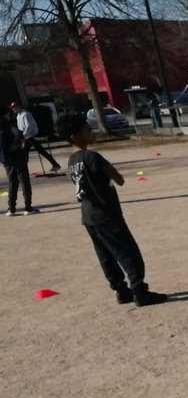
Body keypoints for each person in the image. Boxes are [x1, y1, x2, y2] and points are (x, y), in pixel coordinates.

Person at [56, 112, 168, 306]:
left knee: (106, 255)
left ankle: (121, 291)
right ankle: (140, 291)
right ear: (76, 136)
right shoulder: (92, 156)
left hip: (89, 215)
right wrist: (108, 169)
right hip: (106, 213)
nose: (93, 132)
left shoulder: (72, 160)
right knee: (128, 252)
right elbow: (119, 179)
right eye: (88, 130)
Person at [1, 107, 38, 216]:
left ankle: (11, 208)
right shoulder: (9, 124)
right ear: (6, 114)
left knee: (12, 181)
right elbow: (18, 133)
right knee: (24, 180)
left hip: (4, 158)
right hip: (16, 156)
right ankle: (28, 207)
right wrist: (16, 143)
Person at [10, 101, 61, 173]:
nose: (13, 109)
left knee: (40, 150)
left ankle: (55, 164)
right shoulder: (18, 116)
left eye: (14, 107)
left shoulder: (26, 114)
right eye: (12, 108)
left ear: (19, 107)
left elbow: (29, 126)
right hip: (25, 137)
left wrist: (23, 136)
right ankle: (23, 168)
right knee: (25, 152)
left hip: (31, 136)